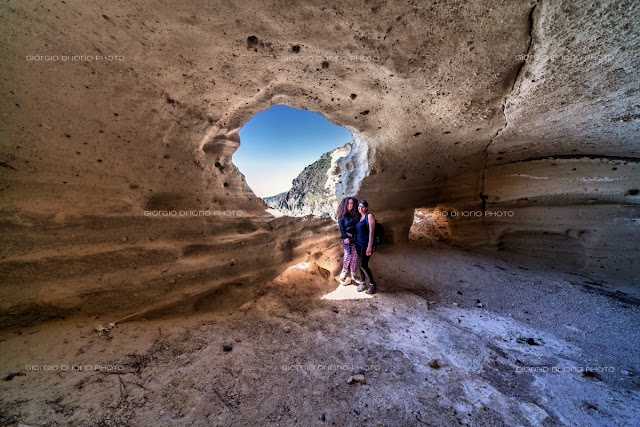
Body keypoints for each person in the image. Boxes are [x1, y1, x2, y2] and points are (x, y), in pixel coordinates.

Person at [337, 197, 361, 286]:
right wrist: (345, 237)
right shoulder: (341, 215)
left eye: (351, 204)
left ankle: (353, 272)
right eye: (348, 204)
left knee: (354, 255)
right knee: (348, 254)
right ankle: (344, 270)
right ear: (345, 204)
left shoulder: (356, 214)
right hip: (346, 236)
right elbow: (341, 228)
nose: (350, 205)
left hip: (356, 237)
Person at [355, 200, 377, 294]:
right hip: (358, 244)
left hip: (366, 245)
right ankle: (362, 282)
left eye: (363, 206)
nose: (361, 208)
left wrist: (369, 246)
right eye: (359, 206)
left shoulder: (369, 216)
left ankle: (372, 284)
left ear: (367, 208)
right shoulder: (359, 217)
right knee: (360, 263)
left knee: (363, 264)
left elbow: (371, 232)